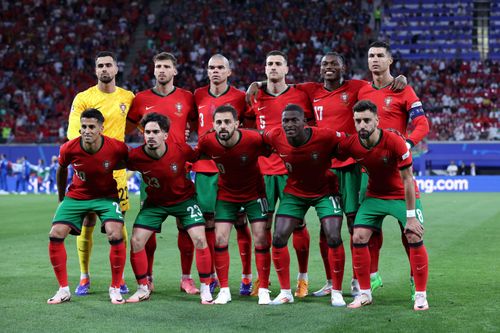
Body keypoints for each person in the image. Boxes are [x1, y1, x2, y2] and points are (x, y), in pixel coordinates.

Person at [246, 52, 407, 297]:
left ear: (344, 66)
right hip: (324, 165)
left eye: (334, 63)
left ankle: (359, 279)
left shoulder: (357, 87)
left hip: (351, 163)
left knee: (355, 223)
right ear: (319, 69)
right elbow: (282, 85)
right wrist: (256, 84)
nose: (329, 67)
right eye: (325, 64)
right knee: (327, 227)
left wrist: (400, 78)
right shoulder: (310, 90)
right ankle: (332, 281)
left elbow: (380, 85)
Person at [337, 100, 429, 311]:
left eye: (367, 120)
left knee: (414, 235)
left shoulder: (395, 142)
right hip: (375, 196)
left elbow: (408, 179)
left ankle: (421, 295)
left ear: (377, 121)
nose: (362, 125)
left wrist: (411, 216)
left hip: (401, 195)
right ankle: (365, 293)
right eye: (358, 121)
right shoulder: (352, 144)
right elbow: (332, 151)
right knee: (358, 236)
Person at [357, 41, 429, 298]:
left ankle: (415, 280)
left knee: (407, 230)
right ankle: (372, 278)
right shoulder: (360, 90)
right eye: (370, 56)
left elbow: (422, 124)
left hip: (398, 172)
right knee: (367, 230)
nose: (374, 60)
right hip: (369, 173)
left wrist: (406, 144)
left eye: (379, 56)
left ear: (390, 61)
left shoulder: (403, 89)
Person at [126, 52, 198, 294]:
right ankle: (148, 277)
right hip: (152, 171)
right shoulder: (141, 98)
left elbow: (199, 124)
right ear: (153, 70)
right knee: (149, 227)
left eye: (167, 66)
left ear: (175, 71)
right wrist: (145, 135)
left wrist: (187, 135)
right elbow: (128, 126)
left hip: (181, 169)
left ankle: (186, 278)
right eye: (158, 66)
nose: (162, 71)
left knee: (184, 226)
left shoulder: (187, 98)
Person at [245, 50, 313, 298]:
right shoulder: (255, 96)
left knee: (298, 225)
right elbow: (247, 126)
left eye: (278, 64)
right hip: (262, 172)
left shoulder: (300, 95)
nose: (273, 67)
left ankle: (302, 279)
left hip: (292, 171)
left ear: (287, 69)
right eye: (269, 64)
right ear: (264, 69)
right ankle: (263, 281)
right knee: (261, 229)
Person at [263, 104, 346, 307]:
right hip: (294, 193)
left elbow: (350, 143)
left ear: (305, 123)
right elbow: (254, 139)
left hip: (325, 191)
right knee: (279, 236)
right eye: (285, 120)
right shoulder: (275, 136)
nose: (289, 124)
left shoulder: (325, 136)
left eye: (294, 120)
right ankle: (285, 292)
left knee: (333, 235)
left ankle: (336, 291)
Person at [126, 113, 213, 305]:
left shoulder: (181, 150)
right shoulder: (136, 156)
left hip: (184, 200)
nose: (150, 136)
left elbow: (201, 153)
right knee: (136, 240)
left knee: (200, 238)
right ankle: (142, 288)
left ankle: (206, 288)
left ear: (165, 134)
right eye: (147, 132)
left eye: (155, 132)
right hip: (155, 203)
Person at [67, 51, 134, 296]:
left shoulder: (128, 97)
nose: (104, 69)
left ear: (116, 68)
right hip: (88, 171)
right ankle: (84, 277)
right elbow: (74, 134)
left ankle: (120, 277)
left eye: (108, 65)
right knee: (87, 221)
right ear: (96, 70)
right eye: (100, 65)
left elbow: (141, 122)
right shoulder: (84, 98)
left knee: (118, 224)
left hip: (116, 173)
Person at [47, 109, 128, 305]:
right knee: (55, 233)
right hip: (77, 196)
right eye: (83, 126)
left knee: (116, 234)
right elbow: (61, 169)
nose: (87, 131)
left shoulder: (116, 148)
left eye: (91, 127)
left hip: (106, 197)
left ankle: (115, 288)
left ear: (101, 128)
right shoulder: (69, 148)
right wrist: (61, 199)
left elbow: (135, 162)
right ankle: (63, 289)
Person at [197, 105, 271, 305]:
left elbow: (273, 148)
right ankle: (224, 290)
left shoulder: (254, 139)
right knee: (220, 239)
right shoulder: (207, 142)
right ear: (213, 125)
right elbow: (194, 156)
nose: (223, 126)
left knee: (261, 239)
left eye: (228, 122)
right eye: (219, 122)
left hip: (254, 193)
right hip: (227, 195)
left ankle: (263, 289)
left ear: (237, 124)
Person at [193, 54, 254, 296]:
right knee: (208, 222)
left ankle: (247, 277)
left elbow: (249, 128)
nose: (215, 71)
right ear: (206, 71)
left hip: (233, 169)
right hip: (205, 169)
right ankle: (212, 277)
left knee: (240, 223)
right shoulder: (196, 95)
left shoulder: (241, 97)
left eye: (220, 68)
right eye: (211, 68)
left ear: (229, 71)